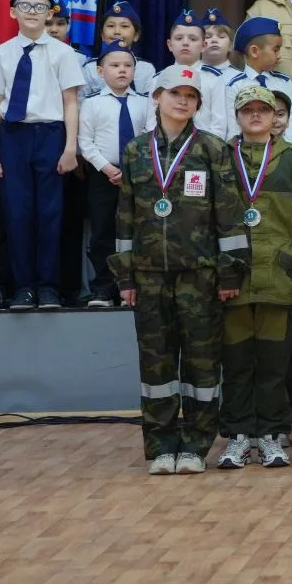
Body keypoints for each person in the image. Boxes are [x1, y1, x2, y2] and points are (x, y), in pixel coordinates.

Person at [113, 64, 250, 474]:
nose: (182, 101)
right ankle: (160, 447)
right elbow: (124, 219)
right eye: (175, 93)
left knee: (201, 364)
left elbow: (229, 216)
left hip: (200, 275)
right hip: (148, 277)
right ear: (157, 97)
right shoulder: (136, 151)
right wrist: (125, 276)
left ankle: (195, 446)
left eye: (191, 96)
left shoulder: (212, 149)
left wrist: (230, 273)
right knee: (155, 366)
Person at [214, 86, 292, 470]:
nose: (256, 115)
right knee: (236, 363)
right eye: (248, 110)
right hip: (233, 280)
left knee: (276, 364)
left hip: (279, 277)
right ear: (237, 116)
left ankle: (273, 434)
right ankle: (239, 436)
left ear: (276, 116)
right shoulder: (220, 159)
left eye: (264, 109)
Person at [0, 0, 85, 309]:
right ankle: (23, 286)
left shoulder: (63, 53)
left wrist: (70, 148)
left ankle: (49, 286)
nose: (32, 11)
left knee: (50, 213)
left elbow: (71, 102)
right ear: (13, 12)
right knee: (17, 212)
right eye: (24, 5)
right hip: (14, 137)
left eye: (40, 7)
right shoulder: (1, 53)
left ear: (49, 14)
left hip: (51, 135)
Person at [79, 41, 155, 308]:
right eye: (114, 65)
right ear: (100, 71)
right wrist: (107, 168)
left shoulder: (145, 103)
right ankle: (103, 287)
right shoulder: (91, 104)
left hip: (138, 176)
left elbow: (150, 137)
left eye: (127, 65)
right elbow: (85, 142)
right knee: (102, 231)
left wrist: (132, 169)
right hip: (104, 176)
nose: (122, 70)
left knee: (136, 230)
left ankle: (131, 288)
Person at [224, 18, 292, 144]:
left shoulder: (284, 82)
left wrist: (284, 148)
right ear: (254, 51)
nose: (279, 55)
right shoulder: (235, 86)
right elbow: (234, 126)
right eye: (275, 50)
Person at [81, 1, 157, 96]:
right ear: (102, 35)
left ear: (136, 35)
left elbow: (151, 102)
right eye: (111, 26)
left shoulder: (146, 69)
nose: (117, 31)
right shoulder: (90, 68)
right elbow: (81, 101)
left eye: (124, 26)